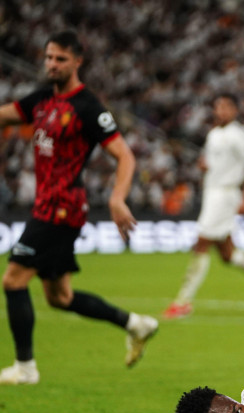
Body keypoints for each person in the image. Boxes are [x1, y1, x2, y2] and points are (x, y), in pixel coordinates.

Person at [0, 30, 158, 385]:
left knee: (13, 279)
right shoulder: (41, 99)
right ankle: (136, 324)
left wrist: (117, 198)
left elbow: (124, 155)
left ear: (77, 61)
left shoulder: (88, 107)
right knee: (59, 297)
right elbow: (5, 115)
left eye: (59, 59)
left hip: (61, 208)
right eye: (48, 57)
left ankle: (25, 367)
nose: (51, 64)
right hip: (47, 205)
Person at [163, 94, 244, 319]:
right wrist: (206, 167)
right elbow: (214, 164)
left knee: (201, 244)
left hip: (225, 194)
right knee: (227, 254)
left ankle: (183, 301)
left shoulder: (239, 134)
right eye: (217, 106)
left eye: (225, 107)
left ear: (235, 110)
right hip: (212, 193)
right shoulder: (213, 134)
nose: (220, 111)